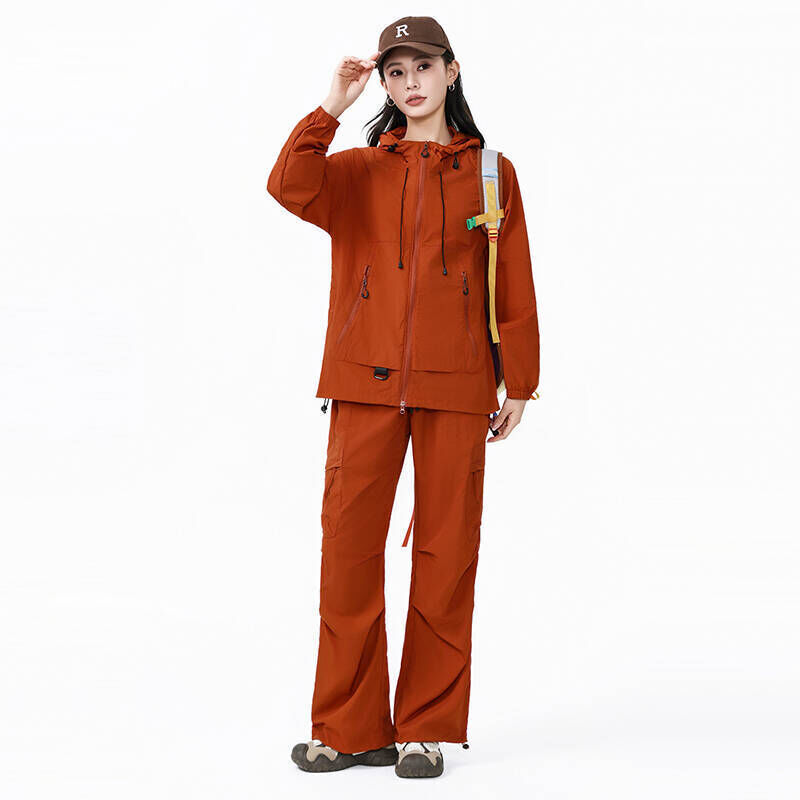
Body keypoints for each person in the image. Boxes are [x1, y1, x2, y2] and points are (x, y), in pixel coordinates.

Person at [267, 15, 540, 779]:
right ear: (383, 84)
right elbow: (288, 185)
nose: (410, 82)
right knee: (348, 555)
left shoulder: (492, 174)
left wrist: (520, 379)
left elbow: (514, 277)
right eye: (395, 71)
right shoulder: (356, 171)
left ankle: (424, 728)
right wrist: (332, 105)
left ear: (452, 71)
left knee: (446, 555)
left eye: (423, 66)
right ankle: (348, 728)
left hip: (459, 385)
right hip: (362, 381)